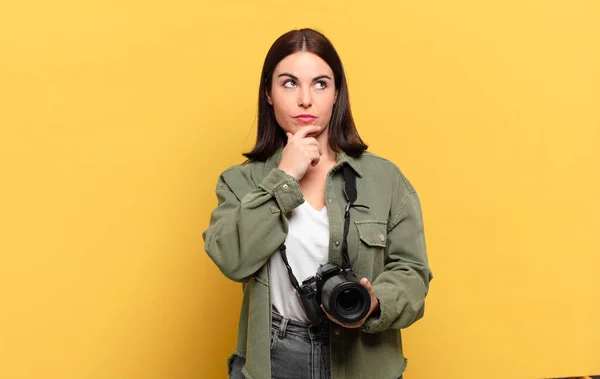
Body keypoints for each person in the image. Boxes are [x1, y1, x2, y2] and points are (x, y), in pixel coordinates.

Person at [203, 28, 433, 379]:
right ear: (268, 92)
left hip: (363, 357)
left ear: (337, 92)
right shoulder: (240, 182)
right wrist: (284, 177)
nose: (305, 100)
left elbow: (413, 273)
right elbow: (232, 260)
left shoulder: (384, 179)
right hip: (275, 354)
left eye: (321, 83)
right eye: (290, 83)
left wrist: (375, 302)